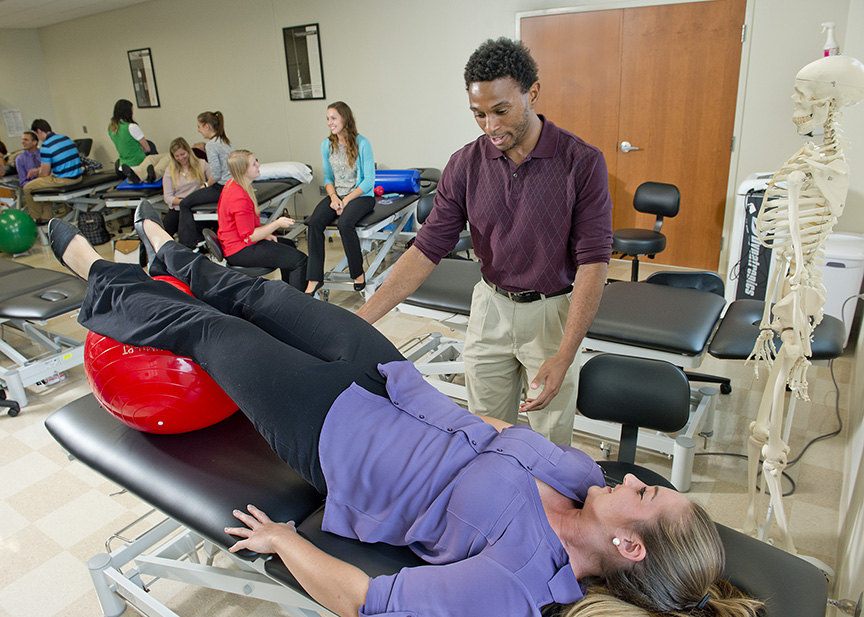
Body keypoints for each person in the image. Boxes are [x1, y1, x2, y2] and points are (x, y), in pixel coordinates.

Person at [47, 208, 761, 617]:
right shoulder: (579, 471)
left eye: (645, 493)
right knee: (260, 297)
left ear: (631, 546)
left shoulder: (516, 582)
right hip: (392, 378)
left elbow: (369, 601)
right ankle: (173, 250)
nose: (633, 477)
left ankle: (95, 272)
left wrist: (286, 542)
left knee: (210, 334)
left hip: (337, 435)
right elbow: (497, 430)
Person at [356, 38, 613, 446]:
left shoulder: (580, 162)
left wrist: (565, 355)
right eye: (478, 114)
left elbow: (593, 263)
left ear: (532, 93)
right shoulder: (465, 164)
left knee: (550, 444)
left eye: (500, 111)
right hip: (490, 307)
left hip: (551, 315)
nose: (490, 127)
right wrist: (361, 318)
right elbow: (426, 248)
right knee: (485, 435)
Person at [304, 102, 376, 294]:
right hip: (337, 195)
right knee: (314, 223)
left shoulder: (362, 143)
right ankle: (314, 278)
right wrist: (334, 197)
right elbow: (328, 178)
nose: (330, 122)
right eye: (327, 118)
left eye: (333, 118)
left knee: (345, 223)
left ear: (345, 118)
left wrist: (346, 200)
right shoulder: (326, 145)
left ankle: (357, 273)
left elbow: (369, 181)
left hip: (361, 196)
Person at [217, 149, 307, 290]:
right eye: (253, 164)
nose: (259, 165)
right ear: (243, 170)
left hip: (236, 244)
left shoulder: (232, 184)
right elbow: (250, 236)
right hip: (240, 250)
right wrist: (276, 224)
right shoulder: (239, 197)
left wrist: (266, 234)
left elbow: (245, 230)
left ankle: (289, 293)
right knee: (300, 260)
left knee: (289, 245)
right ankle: (298, 304)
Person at [177, 111, 236, 247]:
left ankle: (187, 245)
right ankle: (199, 239)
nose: (198, 130)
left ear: (207, 126)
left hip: (222, 188)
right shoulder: (225, 141)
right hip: (232, 186)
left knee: (184, 204)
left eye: (199, 126)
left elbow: (215, 175)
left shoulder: (211, 145)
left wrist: (205, 184)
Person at [22, 119, 83, 224]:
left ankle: (36, 218)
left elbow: (44, 174)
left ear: (39, 131)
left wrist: (38, 175)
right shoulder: (66, 138)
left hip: (64, 180)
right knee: (44, 184)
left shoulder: (46, 146)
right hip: (78, 177)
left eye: (36, 134)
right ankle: (47, 217)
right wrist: (38, 171)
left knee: (28, 187)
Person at [108, 99, 170, 184]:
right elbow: (147, 149)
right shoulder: (131, 127)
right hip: (139, 162)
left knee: (153, 158)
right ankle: (153, 175)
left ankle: (138, 175)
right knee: (169, 156)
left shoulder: (111, 128)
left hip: (123, 164)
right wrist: (143, 149)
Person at [162, 137, 212, 238]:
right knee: (164, 231)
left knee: (195, 233)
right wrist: (184, 202)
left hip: (198, 206)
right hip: (179, 207)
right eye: (177, 156)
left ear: (188, 152)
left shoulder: (202, 164)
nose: (180, 158)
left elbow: (213, 180)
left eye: (183, 154)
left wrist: (205, 186)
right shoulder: (170, 170)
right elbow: (167, 197)